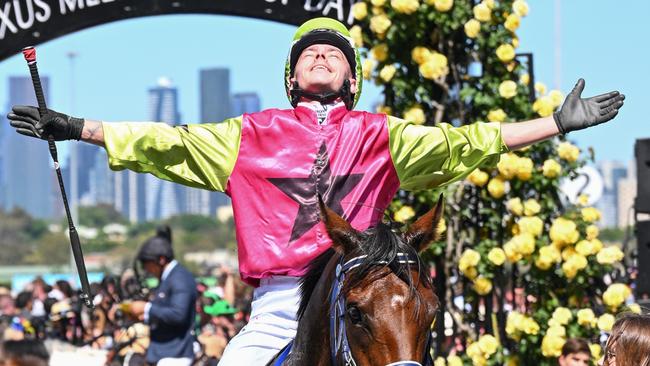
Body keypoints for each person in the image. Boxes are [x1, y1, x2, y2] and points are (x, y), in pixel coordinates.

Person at [6, 17, 625, 365]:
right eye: (310, 53)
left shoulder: (386, 135)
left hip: (365, 291)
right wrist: (74, 127)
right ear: (291, 76)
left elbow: (469, 142)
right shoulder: (245, 134)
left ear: (352, 79)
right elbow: (164, 142)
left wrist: (556, 124)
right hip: (280, 307)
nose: (323, 56)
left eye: (335, 53)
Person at [126, 226, 198, 366]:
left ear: (161, 260)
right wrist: (142, 315)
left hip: (175, 355)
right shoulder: (168, 277)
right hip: (165, 352)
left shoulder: (179, 277)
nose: (146, 269)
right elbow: (165, 311)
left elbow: (178, 314)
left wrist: (146, 308)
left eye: (147, 264)